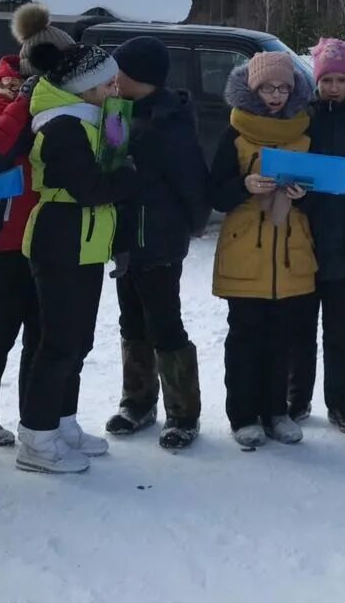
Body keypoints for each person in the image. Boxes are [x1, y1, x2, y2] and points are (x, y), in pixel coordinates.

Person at [17, 42, 140, 473]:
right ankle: (35, 437)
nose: (116, 88)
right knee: (58, 344)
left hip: (86, 241)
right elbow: (91, 189)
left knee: (78, 342)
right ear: (84, 88)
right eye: (108, 82)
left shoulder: (93, 119)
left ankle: (61, 421)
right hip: (61, 238)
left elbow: (107, 173)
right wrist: (127, 176)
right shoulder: (63, 127)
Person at [0, 3, 73, 448]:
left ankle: (36, 419)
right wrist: (27, 100)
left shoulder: (67, 99)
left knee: (43, 334)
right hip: (6, 235)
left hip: (48, 235)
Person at [106, 36, 210, 451]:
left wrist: (191, 225)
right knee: (131, 321)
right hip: (124, 239)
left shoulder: (170, 122)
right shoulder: (116, 111)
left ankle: (184, 412)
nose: (113, 79)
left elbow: (193, 182)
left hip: (160, 241)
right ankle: (138, 401)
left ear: (141, 79)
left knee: (164, 323)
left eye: (120, 73)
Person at [210, 53, 316, 451]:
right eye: (268, 88)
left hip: (291, 254)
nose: (276, 95)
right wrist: (244, 186)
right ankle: (243, 416)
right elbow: (216, 194)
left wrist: (303, 196)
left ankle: (277, 412)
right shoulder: (234, 135)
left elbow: (323, 196)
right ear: (252, 90)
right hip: (246, 254)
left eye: (284, 88)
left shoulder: (305, 134)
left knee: (282, 339)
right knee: (244, 339)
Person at [287, 38, 345, 434]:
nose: (334, 86)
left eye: (341, 79)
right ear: (317, 80)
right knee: (300, 329)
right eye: (327, 79)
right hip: (305, 237)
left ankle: (340, 403)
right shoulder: (303, 115)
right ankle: (297, 398)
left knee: (342, 331)